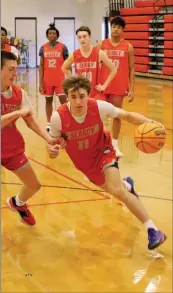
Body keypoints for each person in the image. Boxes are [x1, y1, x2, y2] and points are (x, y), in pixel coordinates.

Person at [47, 76, 167, 250]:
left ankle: (153, 230)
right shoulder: (58, 117)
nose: (78, 101)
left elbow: (126, 115)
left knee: (117, 191)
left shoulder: (99, 107)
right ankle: (127, 186)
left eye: (82, 96)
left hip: (103, 151)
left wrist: (150, 122)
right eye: (73, 97)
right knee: (116, 189)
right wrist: (52, 150)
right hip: (85, 164)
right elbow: (54, 141)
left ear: (88, 94)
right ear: (67, 96)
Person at [1, 51, 64, 226]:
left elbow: (30, 121)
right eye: (11, 69)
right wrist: (17, 113)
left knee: (34, 185)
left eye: (16, 69)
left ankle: (17, 203)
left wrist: (50, 139)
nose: (16, 73)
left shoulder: (19, 93)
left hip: (11, 149)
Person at [97, 16, 135, 156]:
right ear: (110, 28)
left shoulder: (128, 46)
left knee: (117, 115)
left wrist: (132, 89)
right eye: (114, 26)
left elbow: (132, 68)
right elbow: (94, 63)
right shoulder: (102, 45)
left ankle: (114, 145)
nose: (116, 29)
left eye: (119, 27)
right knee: (99, 116)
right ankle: (100, 144)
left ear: (122, 30)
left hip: (119, 86)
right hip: (103, 85)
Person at [61, 26, 117, 100]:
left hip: (96, 93)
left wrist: (104, 86)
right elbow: (64, 67)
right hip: (81, 92)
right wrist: (74, 80)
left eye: (84, 36)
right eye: (79, 37)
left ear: (90, 37)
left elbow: (113, 70)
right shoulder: (75, 54)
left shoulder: (99, 53)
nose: (82, 39)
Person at [39, 23, 69, 132]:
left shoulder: (63, 47)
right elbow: (41, 66)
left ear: (57, 35)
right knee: (48, 101)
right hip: (47, 79)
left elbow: (68, 64)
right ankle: (49, 122)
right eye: (50, 33)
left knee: (63, 101)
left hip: (60, 79)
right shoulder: (43, 48)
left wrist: (69, 79)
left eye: (54, 33)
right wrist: (40, 82)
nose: (52, 35)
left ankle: (66, 120)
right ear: (47, 35)